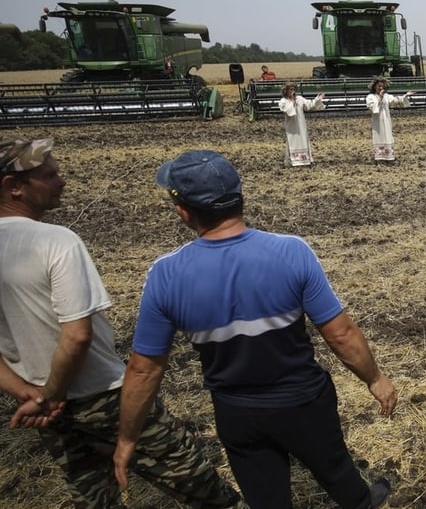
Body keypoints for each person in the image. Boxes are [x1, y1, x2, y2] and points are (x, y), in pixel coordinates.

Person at [0, 139, 245, 509]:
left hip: (45, 410)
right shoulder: (57, 241)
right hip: (105, 396)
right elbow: (77, 335)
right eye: (48, 176)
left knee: (93, 498)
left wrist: (29, 393)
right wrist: (52, 393)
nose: (61, 181)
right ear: (12, 186)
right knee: (201, 486)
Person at [115, 150, 397, 509]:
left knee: (266, 498)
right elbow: (340, 334)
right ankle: (359, 501)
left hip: (236, 409)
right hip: (304, 400)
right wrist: (374, 378)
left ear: (183, 211)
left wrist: (127, 438)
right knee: (334, 465)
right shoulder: (291, 252)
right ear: (240, 197)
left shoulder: (165, 275)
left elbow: (144, 370)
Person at [366, 76, 414, 163]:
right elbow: (372, 108)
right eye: (379, 86)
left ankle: (389, 158)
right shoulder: (371, 97)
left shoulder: (386, 96)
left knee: (388, 136)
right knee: (379, 136)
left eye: (382, 86)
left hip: (386, 120)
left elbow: (395, 101)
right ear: (374, 87)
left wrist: (405, 96)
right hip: (378, 121)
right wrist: (380, 98)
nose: (381, 88)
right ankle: (379, 158)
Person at [278, 82, 326, 167]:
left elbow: (309, 105)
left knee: (303, 139)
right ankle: (292, 161)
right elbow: (288, 111)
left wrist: (317, 99)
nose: (293, 91)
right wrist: (292, 101)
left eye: (294, 89)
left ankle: (305, 160)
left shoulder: (299, 99)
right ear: (286, 91)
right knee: (292, 141)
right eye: (291, 89)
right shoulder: (283, 101)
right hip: (292, 127)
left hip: (301, 125)